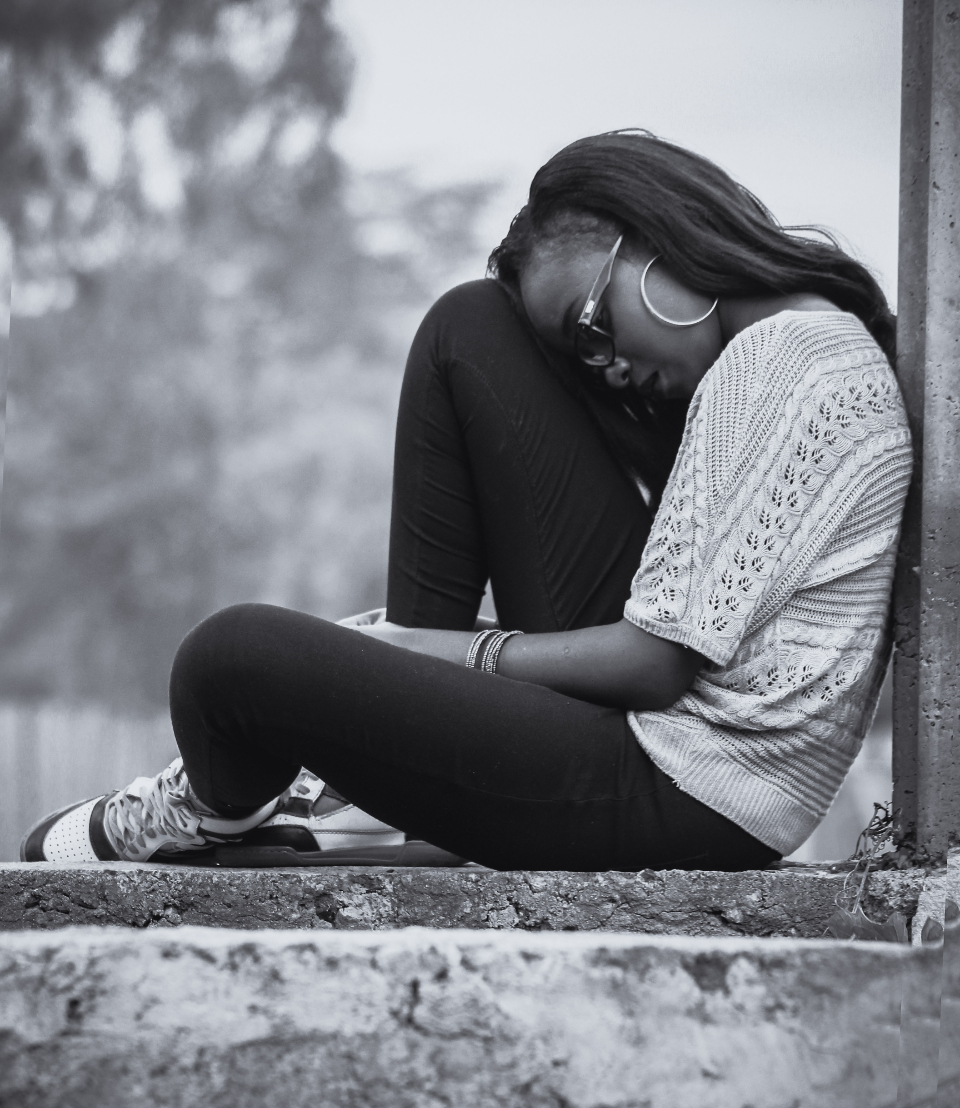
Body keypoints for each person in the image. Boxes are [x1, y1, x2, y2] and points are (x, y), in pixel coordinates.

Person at [22, 131, 911, 873]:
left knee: (229, 658)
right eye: (583, 357)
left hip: (682, 787)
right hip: (674, 758)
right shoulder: (799, 346)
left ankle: (224, 806)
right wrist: (424, 656)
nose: (604, 368)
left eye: (592, 328)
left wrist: (435, 652)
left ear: (656, 238)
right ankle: (364, 797)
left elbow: (656, 664)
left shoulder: (781, 362)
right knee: (472, 325)